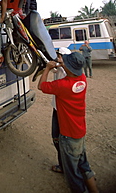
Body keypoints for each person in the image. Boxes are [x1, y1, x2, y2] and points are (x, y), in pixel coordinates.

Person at [38, 52, 98, 193]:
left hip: (68, 135)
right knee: (84, 165)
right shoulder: (82, 79)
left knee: (73, 175)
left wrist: (47, 68)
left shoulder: (62, 85)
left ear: (69, 69)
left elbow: (42, 86)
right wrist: (63, 64)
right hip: (80, 132)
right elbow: (70, 72)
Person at [51, 47, 71, 174]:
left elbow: (42, 86)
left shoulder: (67, 74)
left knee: (61, 139)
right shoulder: (59, 68)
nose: (57, 58)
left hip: (63, 111)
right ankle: (63, 164)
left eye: (59, 56)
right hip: (56, 108)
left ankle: (67, 167)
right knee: (56, 137)